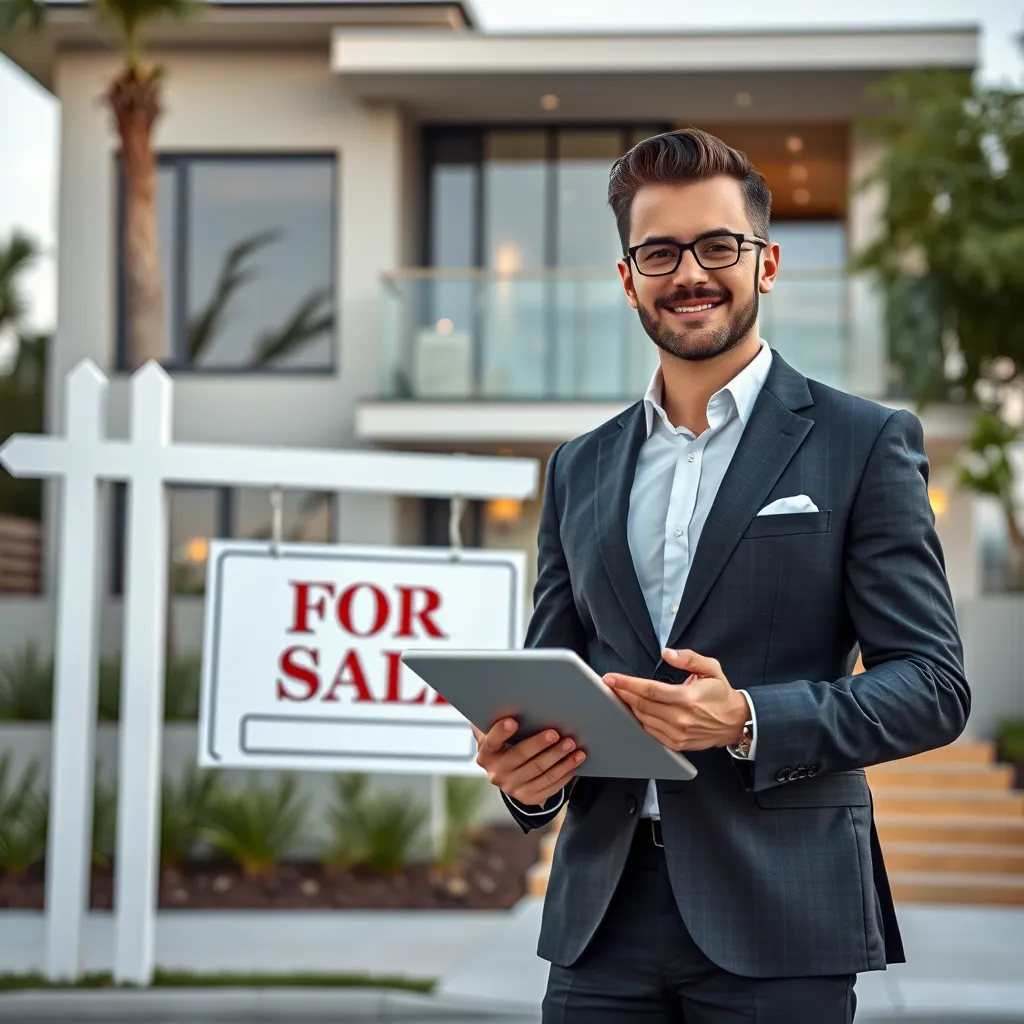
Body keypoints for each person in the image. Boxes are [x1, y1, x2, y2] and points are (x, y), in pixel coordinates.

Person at [472, 128, 969, 1023]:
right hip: (601, 923)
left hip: (783, 916)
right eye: (659, 250)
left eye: (718, 246)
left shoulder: (864, 444)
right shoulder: (578, 466)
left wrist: (746, 719)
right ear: (628, 277)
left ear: (767, 263)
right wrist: (525, 774)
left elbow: (932, 687)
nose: (689, 271)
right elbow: (556, 677)